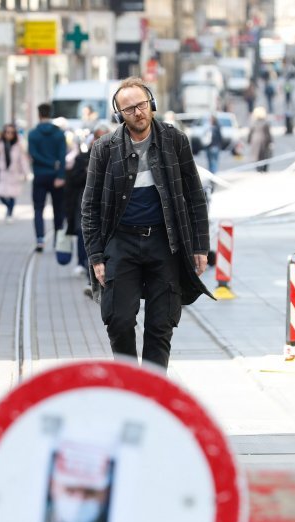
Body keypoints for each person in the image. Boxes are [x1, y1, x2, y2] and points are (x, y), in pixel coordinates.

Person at [81, 76, 212, 371]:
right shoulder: (105, 148)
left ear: (151, 103)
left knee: (161, 323)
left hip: (165, 242)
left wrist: (200, 246)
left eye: (141, 105)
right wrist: (96, 255)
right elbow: (89, 206)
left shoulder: (174, 140)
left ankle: (153, 390)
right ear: (119, 115)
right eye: (129, 109)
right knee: (119, 319)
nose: (137, 112)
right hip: (121, 241)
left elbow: (194, 194)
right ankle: (129, 382)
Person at [40, 441, 112, 522]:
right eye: (70, 490)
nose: (79, 500)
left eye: (90, 492)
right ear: (52, 486)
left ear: (106, 493)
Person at [66, 123, 110, 291]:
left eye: (104, 137)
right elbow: (72, 181)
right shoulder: (83, 158)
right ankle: (84, 268)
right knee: (83, 233)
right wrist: (85, 172)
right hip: (84, 201)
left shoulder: (117, 157)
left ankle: (95, 275)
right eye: (98, 137)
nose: (100, 141)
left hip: (106, 205)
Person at [28, 103, 67, 252]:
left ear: (39, 115)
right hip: (56, 177)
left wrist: (48, 163)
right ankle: (57, 240)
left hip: (39, 175)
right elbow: (62, 156)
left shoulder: (33, 134)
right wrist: (60, 173)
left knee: (38, 209)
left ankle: (40, 240)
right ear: (51, 114)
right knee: (58, 210)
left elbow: (33, 154)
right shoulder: (59, 134)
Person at [0, 123, 30, 224]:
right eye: (7, 132)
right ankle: (8, 207)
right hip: (2, 173)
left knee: (12, 194)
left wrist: (26, 173)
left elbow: (22, 160)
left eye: (11, 133)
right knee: (0, 194)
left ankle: (10, 213)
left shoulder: (18, 145)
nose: (9, 134)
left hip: (14, 173)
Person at [247, 106, 273, 173]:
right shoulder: (265, 122)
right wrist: (271, 141)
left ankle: (259, 168)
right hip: (263, 139)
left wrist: (249, 140)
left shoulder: (254, 122)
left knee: (257, 155)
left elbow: (250, 132)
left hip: (255, 140)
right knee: (264, 154)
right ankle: (263, 168)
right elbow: (268, 133)